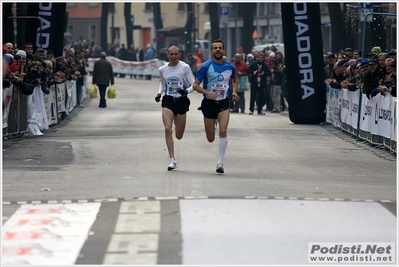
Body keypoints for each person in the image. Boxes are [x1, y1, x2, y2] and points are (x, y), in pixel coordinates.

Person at [193, 39, 239, 174]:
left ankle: (220, 162)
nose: (218, 50)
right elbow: (195, 85)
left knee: (223, 131)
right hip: (208, 103)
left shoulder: (230, 67)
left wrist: (235, 92)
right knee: (211, 138)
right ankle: (212, 124)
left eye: (220, 48)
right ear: (212, 51)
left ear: (223, 51)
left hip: (223, 102)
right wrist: (207, 92)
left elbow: (235, 80)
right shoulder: (206, 67)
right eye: (215, 48)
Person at [155, 45, 195, 171]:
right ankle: (172, 159)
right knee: (167, 129)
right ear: (167, 55)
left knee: (179, 135)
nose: (173, 56)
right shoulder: (163, 69)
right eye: (171, 54)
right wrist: (159, 93)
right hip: (168, 100)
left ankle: (177, 125)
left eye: (175, 54)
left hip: (182, 101)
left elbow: (194, 85)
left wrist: (186, 91)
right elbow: (162, 83)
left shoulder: (185, 67)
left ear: (179, 55)